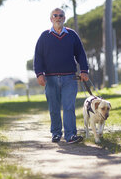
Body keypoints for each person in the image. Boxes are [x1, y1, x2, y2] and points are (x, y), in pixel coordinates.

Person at [34, 8, 89, 144]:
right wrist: (39, 74)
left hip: (69, 78)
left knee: (69, 107)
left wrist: (84, 70)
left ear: (64, 18)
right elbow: (38, 56)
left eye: (61, 15)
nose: (58, 17)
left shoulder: (72, 35)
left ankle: (70, 135)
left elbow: (80, 54)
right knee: (54, 108)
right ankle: (56, 133)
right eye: (55, 15)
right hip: (50, 79)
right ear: (51, 18)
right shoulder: (44, 36)